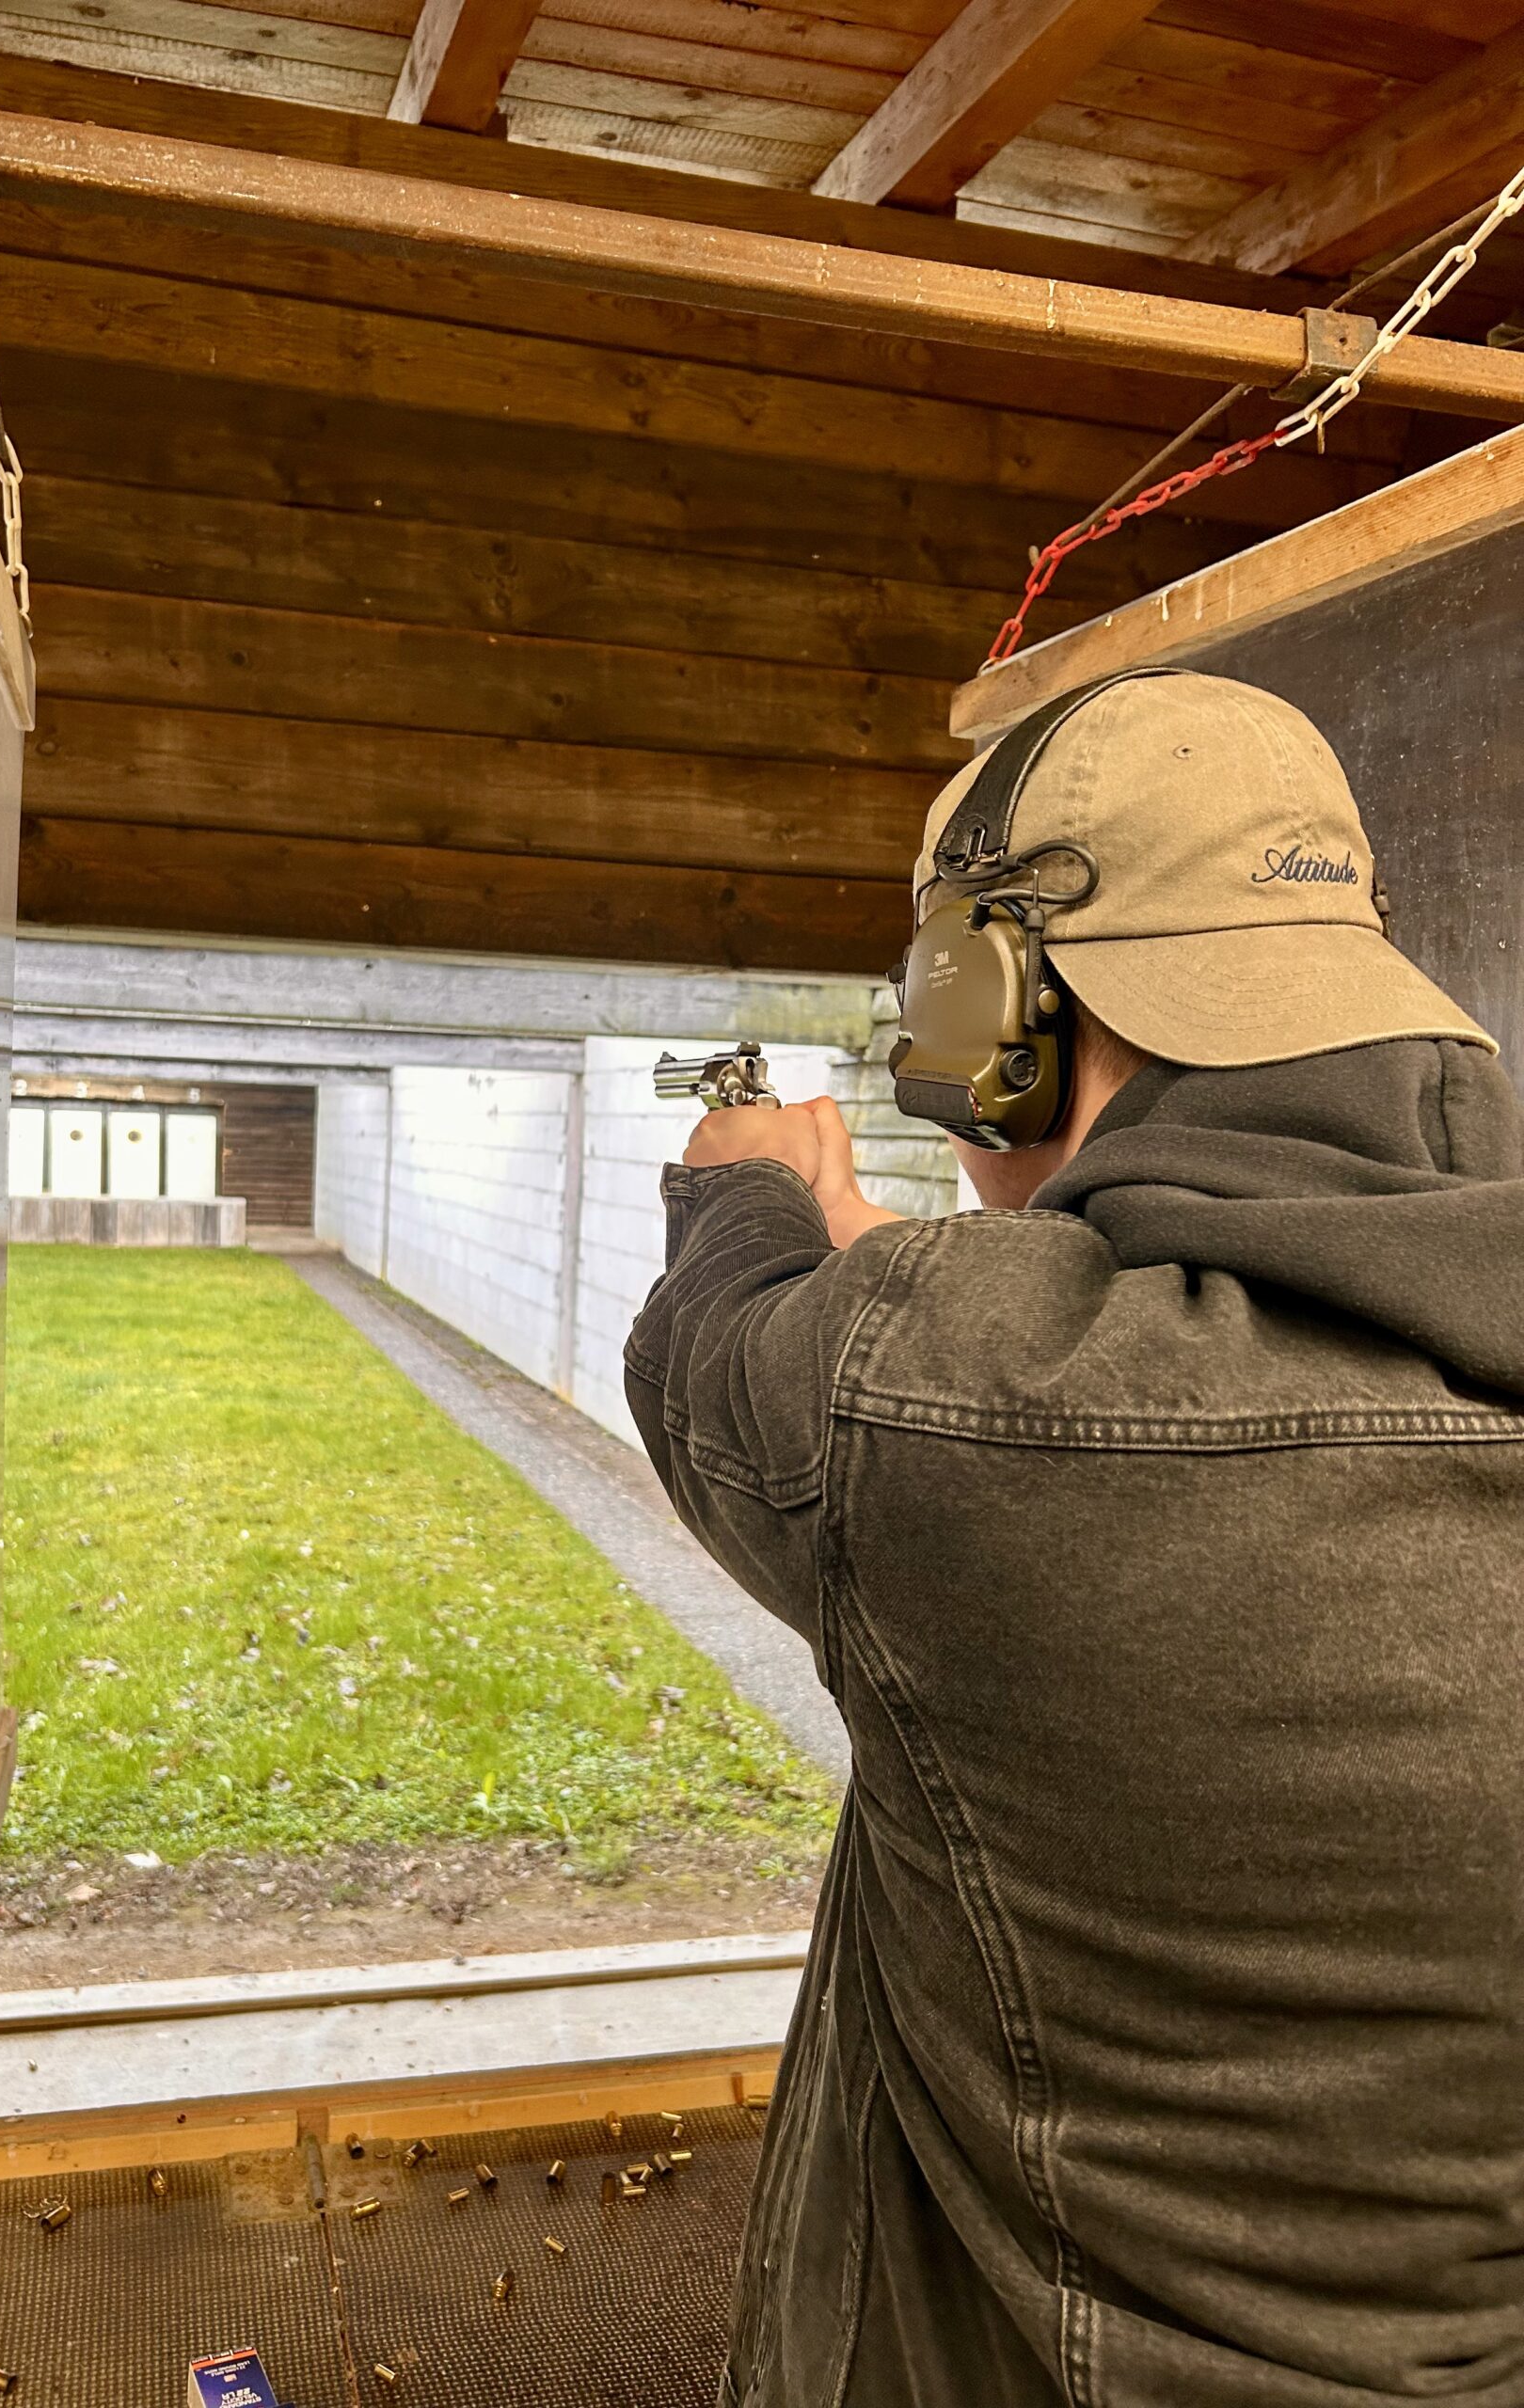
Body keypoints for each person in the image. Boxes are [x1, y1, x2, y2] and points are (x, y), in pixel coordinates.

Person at [624, 672, 1524, 2408]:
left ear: (994, 1004)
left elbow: (720, 1375)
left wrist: (747, 1189)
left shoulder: (945, 1399)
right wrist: (948, 1292)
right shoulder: (994, 1384)